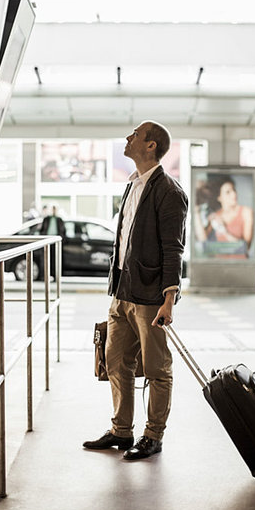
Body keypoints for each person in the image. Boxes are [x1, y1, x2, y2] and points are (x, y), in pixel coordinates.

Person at [83, 120, 188, 460]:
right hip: (122, 292)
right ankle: (121, 430)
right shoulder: (132, 185)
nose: (128, 139)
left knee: (157, 370)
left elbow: (174, 250)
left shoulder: (169, 192)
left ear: (150, 146)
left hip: (150, 297)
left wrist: (169, 300)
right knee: (115, 362)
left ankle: (153, 435)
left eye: (135, 135)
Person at [193, 175, 253, 258]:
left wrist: (224, 231)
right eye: (228, 192)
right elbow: (203, 241)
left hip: (240, 265)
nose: (234, 194)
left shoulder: (246, 212)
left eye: (234, 190)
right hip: (220, 265)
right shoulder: (216, 216)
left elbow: (246, 247)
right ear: (219, 197)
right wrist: (196, 210)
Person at [39, 206, 65, 280]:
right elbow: (42, 230)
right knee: (46, 259)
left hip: (56, 242)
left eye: (55, 210)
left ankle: (54, 275)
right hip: (47, 241)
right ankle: (45, 275)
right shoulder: (46, 219)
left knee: (55, 259)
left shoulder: (59, 220)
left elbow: (63, 231)